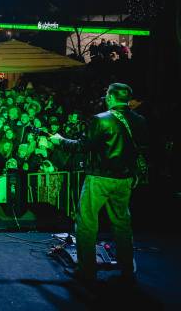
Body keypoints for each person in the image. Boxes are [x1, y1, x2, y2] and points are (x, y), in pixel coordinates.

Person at [50, 83, 147, 285]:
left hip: (99, 178)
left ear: (110, 97)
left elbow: (82, 147)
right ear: (127, 100)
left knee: (86, 223)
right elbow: (140, 150)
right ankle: (127, 270)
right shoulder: (139, 120)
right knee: (122, 224)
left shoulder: (100, 120)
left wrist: (59, 140)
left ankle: (87, 272)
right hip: (124, 180)